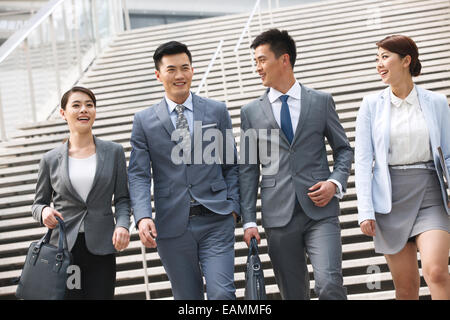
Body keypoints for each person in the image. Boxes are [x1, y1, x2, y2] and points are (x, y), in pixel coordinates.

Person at [239, 29, 353, 300]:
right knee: (293, 294)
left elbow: (343, 150)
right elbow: (248, 169)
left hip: (321, 211)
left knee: (329, 285)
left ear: (284, 60)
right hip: (278, 216)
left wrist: (334, 182)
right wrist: (248, 220)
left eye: (262, 60)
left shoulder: (321, 101)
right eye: (255, 62)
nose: (257, 68)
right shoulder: (250, 112)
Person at [128, 41, 240, 300]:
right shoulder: (143, 121)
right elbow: (139, 174)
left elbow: (231, 164)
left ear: (192, 70)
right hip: (171, 225)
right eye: (171, 69)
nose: (179, 75)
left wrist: (233, 207)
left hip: (216, 219)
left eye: (185, 68)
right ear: (158, 75)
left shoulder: (216, 111)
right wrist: (143, 216)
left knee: (222, 295)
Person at [355, 35, 450, 300]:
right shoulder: (370, 106)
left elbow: (449, 154)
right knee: (406, 287)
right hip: (390, 199)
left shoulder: (437, 102)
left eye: (385, 57)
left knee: (437, 271)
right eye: (377, 59)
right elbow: (363, 161)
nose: (379, 65)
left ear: (406, 61)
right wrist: (365, 210)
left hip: (430, 192)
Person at [31, 86, 131, 300]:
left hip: (102, 246)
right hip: (63, 248)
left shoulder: (114, 152)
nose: (83, 109)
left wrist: (122, 224)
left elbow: (122, 198)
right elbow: (37, 204)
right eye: (76, 105)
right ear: (63, 113)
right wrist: (44, 212)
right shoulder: (50, 159)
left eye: (89, 105)